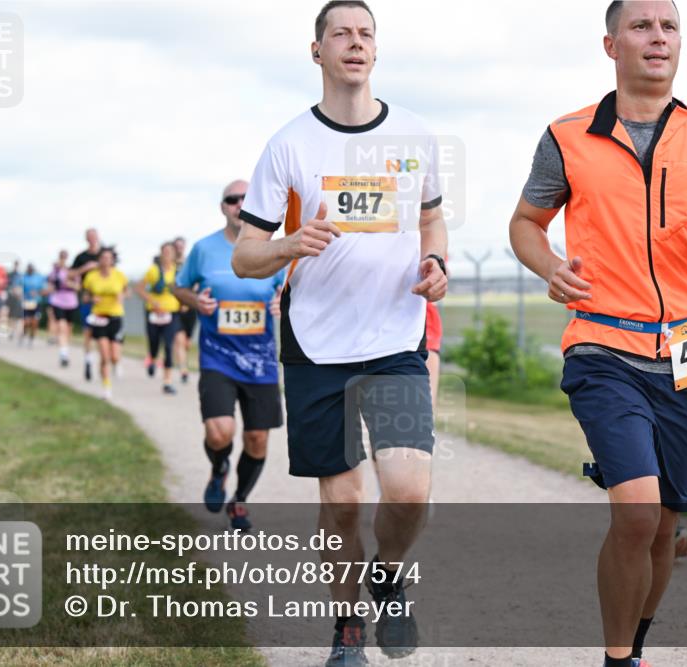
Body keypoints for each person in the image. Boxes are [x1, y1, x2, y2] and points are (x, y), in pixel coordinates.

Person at [508, 3, 687, 665]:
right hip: (603, 347)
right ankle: (617, 659)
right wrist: (551, 267)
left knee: (663, 526)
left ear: (680, 43)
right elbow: (525, 223)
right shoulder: (567, 136)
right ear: (611, 44)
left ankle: (635, 648)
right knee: (637, 513)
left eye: (669, 26)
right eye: (642, 26)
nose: (658, 37)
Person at [230, 3, 448, 663]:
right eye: (341, 34)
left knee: (409, 492)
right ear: (317, 51)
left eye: (366, 34)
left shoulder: (414, 135)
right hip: (316, 344)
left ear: (376, 51)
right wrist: (288, 243)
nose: (355, 43)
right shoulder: (289, 145)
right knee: (343, 500)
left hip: (395, 338)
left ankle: (389, 575)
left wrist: (436, 262)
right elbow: (245, 256)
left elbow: (432, 220)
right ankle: (347, 626)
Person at [174, 181, 285, 531]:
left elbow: (291, 290)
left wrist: (283, 300)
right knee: (220, 432)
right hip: (217, 356)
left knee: (257, 438)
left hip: (260, 361)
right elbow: (179, 287)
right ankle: (219, 467)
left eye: (247, 199)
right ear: (223, 207)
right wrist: (195, 301)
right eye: (232, 199)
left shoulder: (275, 250)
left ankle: (239, 501)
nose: (239, 204)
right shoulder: (204, 249)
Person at [135, 241, 183, 394]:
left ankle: (167, 382)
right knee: (154, 342)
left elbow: (184, 289)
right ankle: (153, 359)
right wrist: (152, 302)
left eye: (170, 252)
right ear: (161, 254)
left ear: (174, 254)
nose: (167, 254)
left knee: (168, 346)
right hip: (154, 313)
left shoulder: (178, 271)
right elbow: (139, 289)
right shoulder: (153, 271)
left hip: (171, 313)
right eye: (165, 252)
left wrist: (184, 303)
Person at [82, 247, 128, 399]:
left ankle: (117, 363)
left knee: (114, 356)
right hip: (99, 317)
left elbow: (127, 291)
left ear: (112, 260)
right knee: (104, 355)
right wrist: (91, 298)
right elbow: (84, 296)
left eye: (109, 258)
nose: (106, 261)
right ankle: (106, 387)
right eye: (103, 258)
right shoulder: (91, 277)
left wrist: (122, 296)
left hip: (115, 316)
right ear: (99, 260)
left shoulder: (119, 275)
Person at [70, 229, 104, 381]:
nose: (92, 239)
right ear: (86, 239)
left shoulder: (105, 254)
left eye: (94, 236)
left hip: (106, 301)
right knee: (88, 333)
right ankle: (88, 361)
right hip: (88, 298)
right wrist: (85, 268)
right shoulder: (81, 257)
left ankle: (106, 362)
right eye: (89, 237)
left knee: (104, 336)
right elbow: (70, 275)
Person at [48, 250, 80, 367]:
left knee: (68, 329)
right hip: (58, 301)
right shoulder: (55, 271)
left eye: (64, 256)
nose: (63, 258)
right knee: (62, 327)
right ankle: (63, 354)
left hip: (71, 303)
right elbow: (50, 284)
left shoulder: (73, 271)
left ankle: (65, 348)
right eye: (61, 256)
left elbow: (78, 287)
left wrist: (69, 283)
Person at [173, 236, 196, 383]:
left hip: (190, 307)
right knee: (179, 340)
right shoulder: (170, 265)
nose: (179, 249)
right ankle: (183, 370)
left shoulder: (190, 263)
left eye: (181, 246)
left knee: (187, 343)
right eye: (177, 246)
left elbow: (195, 283)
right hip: (175, 308)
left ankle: (183, 362)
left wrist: (189, 300)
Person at [19, 263, 46, 347]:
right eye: (29, 268)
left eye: (31, 269)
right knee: (26, 322)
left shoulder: (39, 278)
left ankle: (31, 338)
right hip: (27, 302)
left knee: (35, 322)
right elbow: (18, 289)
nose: (30, 270)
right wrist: (20, 295)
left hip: (37, 303)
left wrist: (37, 292)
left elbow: (44, 291)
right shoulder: (23, 277)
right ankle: (24, 334)